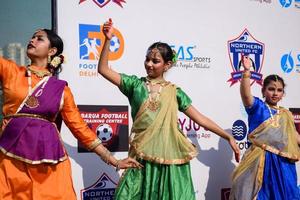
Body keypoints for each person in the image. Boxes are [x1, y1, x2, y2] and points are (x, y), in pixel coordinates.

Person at [98, 19, 240, 200]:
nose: (149, 64)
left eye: (155, 61)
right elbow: (103, 69)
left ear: (167, 65)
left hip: (169, 160)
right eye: (147, 59)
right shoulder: (135, 85)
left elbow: (201, 119)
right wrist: (108, 40)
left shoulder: (175, 92)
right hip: (141, 157)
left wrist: (227, 136)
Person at [0, 29, 142, 200]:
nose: (32, 40)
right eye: (32, 37)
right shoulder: (11, 72)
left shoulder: (61, 90)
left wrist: (114, 161)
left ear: (52, 51)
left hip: (50, 161)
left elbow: (80, 128)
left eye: (39, 39)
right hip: (10, 155)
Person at [229, 55, 300, 200]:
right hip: (259, 163)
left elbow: (295, 138)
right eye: (271, 89)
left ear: (282, 94)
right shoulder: (258, 107)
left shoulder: (286, 114)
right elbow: (246, 95)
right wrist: (246, 72)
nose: (275, 93)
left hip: (283, 165)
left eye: (279, 90)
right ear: (263, 91)